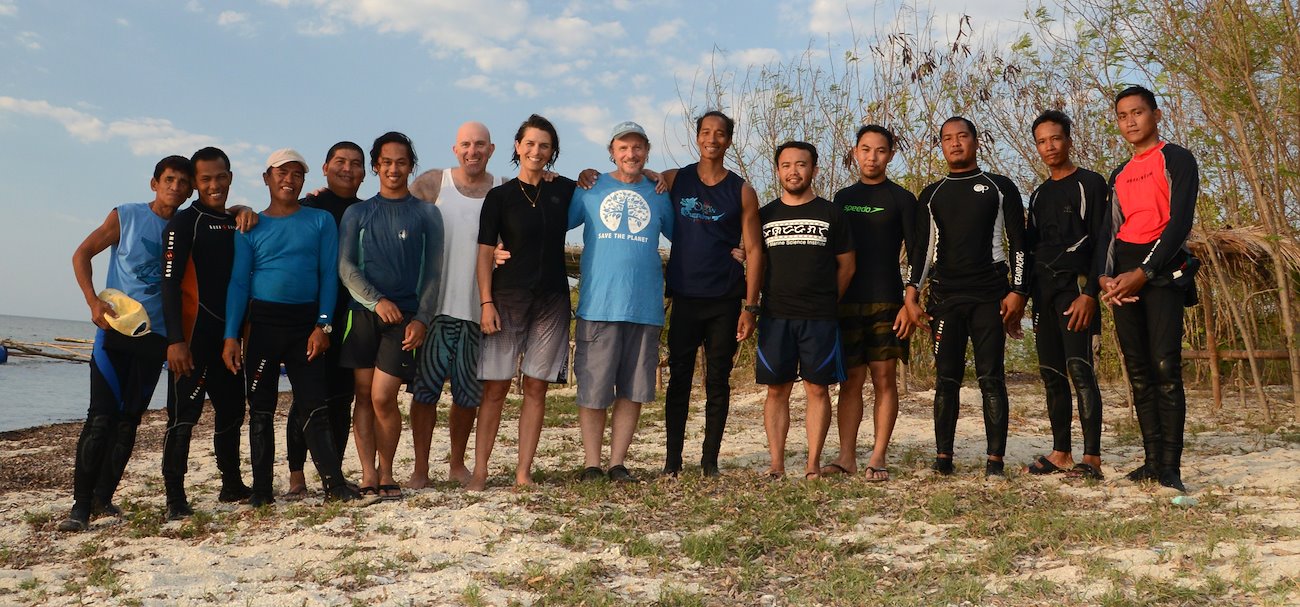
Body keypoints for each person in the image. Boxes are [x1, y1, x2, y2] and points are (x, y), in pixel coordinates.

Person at [59, 156, 194, 532]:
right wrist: (91, 300)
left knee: (129, 421)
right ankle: (80, 508)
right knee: (100, 418)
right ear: (154, 183)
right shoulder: (127, 215)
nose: (176, 187)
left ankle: (104, 498)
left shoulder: (188, 226)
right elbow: (81, 253)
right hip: (116, 331)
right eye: (169, 180)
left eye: (184, 182)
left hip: (157, 338)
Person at [222, 149, 360, 506]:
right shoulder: (250, 225)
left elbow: (329, 275)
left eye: (297, 174)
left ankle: (334, 485)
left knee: (315, 406)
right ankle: (263, 492)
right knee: (262, 410)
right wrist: (231, 336)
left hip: (306, 326)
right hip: (264, 326)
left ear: (303, 181)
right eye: (282, 173)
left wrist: (324, 326)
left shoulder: (319, 221)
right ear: (267, 178)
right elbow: (238, 283)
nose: (289, 179)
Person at [903, 116, 1028, 478]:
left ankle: (995, 462)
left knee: (991, 378)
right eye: (947, 138)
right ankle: (943, 458)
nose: (955, 143)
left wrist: (1018, 291)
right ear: (941, 146)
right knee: (947, 380)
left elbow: (1019, 243)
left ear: (976, 142)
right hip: (945, 298)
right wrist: (911, 293)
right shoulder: (932, 193)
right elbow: (922, 250)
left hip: (990, 297)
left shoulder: (999, 186)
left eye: (962, 137)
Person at [1098, 86, 1199, 493]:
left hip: (1162, 271)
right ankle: (1151, 460)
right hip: (1124, 274)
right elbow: (1109, 231)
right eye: (1123, 116)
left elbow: (1179, 223)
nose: (1130, 121)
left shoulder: (1177, 158)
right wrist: (1105, 278)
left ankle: (1171, 466)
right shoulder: (1119, 173)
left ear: (1156, 115)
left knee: (1165, 368)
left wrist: (1145, 270)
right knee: (1139, 371)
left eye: (1138, 112)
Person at [652, 111, 763, 478]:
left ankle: (710, 461)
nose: (711, 139)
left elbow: (755, 249)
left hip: (725, 301)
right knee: (679, 379)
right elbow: (639, 178)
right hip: (684, 297)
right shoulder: (676, 179)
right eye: (705, 132)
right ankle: (672, 460)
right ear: (697, 137)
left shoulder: (742, 190)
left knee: (717, 380)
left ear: (728, 141)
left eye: (719, 134)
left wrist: (751, 306)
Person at [338, 132, 444, 501]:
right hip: (363, 314)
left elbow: (433, 273)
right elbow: (346, 266)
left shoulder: (427, 213)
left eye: (401, 162)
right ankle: (369, 472)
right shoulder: (359, 212)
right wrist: (375, 300)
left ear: (410, 166)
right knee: (363, 396)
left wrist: (423, 319)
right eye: (386, 162)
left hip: (405, 319)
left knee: (385, 397)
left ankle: (387, 469)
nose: (394, 169)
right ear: (376, 167)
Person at [474, 114, 577, 489]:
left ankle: (523, 473)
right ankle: (481, 471)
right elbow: (485, 252)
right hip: (505, 299)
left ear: (552, 153)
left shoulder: (563, 190)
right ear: (517, 146)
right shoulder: (499, 197)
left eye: (544, 145)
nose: (536, 151)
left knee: (536, 386)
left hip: (551, 300)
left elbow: (595, 182)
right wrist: (485, 302)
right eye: (530, 143)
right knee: (496, 387)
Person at [567, 121, 673, 483]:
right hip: (598, 305)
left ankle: (617, 463)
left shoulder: (660, 192)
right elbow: (550, 223)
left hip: (644, 307)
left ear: (647, 151)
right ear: (612, 151)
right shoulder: (590, 187)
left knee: (633, 389)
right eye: (623, 148)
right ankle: (592, 463)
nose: (631, 154)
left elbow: (686, 234)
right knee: (594, 388)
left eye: (638, 147)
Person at [405, 122, 501, 489]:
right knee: (424, 392)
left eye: (480, 145)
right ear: (454, 148)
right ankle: (420, 467)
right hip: (434, 308)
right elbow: (393, 205)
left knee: (467, 395)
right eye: (465, 144)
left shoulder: (502, 189)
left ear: (491, 149)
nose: (472, 151)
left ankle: (458, 463)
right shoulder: (433, 183)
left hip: (480, 310)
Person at [159, 147, 251, 520]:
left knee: (232, 411)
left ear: (230, 177)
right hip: (191, 339)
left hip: (227, 339)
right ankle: (174, 497)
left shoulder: (238, 222)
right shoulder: (184, 224)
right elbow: (168, 285)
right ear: (196, 184)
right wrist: (174, 341)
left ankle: (230, 484)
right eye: (206, 179)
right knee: (183, 416)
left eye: (221, 177)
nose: (214, 185)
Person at [823, 125, 919, 482]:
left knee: (884, 379)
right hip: (846, 301)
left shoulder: (902, 198)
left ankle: (878, 455)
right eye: (865, 149)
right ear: (855, 153)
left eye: (880, 151)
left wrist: (911, 300)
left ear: (890, 155)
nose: (872, 157)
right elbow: (829, 253)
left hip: (887, 300)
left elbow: (919, 254)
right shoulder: (842, 198)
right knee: (849, 381)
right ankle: (846, 456)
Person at [756, 141, 855, 480]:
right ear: (778, 170)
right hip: (774, 316)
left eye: (801, 165)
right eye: (786, 165)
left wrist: (827, 300)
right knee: (777, 389)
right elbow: (757, 264)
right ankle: (776, 464)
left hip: (819, 317)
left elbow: (847, 266)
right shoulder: (764, 215)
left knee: (817, 388)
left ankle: (813, 464)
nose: (793, 171)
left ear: (814, 169)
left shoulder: (831, 213)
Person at [1022, 110, 1109, 480]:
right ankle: (1061, 452)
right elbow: (1031, 248)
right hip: (1045, 295)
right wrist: (1020, 298)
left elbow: (1104, 241)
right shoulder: (1039, 194)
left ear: (1069, 140)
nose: (1049, 147)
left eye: (1055, 139)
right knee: (1051, 373)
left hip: (1077, 292)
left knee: (1080, 370)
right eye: (1042, 141)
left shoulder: (1091, 183)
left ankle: (1091, 458)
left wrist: (1090, 293)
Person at [283, 141, 367, 498]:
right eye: (340, 162)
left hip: (353, 315)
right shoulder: (308, 206)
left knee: (342, 397)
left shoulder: (369, 211)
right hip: (309, 315)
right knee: (306, 396)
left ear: (365, 172)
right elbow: (271, 220)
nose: (347, 168)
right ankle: (297, 477)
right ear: (325, 167)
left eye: (355, 163)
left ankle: (334, 472)